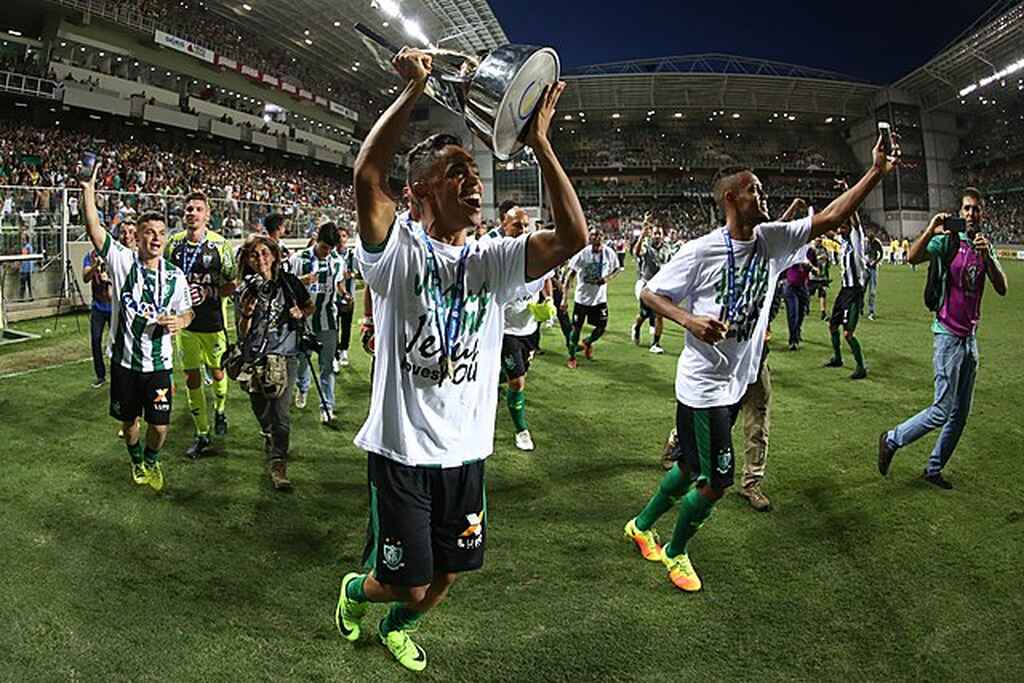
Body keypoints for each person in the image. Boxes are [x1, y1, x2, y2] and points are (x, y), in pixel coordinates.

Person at [334, 47, 586, 673]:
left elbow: (572, 237)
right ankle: (356, 591)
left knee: (449, 576)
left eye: (475, 171)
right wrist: (414, 89)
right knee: (407, 582)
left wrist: (542, 146)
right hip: (402, 453)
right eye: (457, 173)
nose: (474, 182)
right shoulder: (393, 253)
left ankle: (394, 626)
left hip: (466, 452)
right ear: (419, 192)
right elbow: (367, 177)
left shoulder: (494, 260)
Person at [623, 137, 899, 593]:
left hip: (738, 379)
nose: (763, 196)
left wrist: (874, 173)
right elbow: (648, 292)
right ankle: (676, 551)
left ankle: (640, 525)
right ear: (731, 198)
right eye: (754, 189)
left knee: (692, 468)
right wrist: (688, 320)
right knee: (718, 481)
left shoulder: (772, 240)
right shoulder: (699, 251)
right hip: (703, 385)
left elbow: (830, 217)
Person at [878, 189, 1007, 489]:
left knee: (960, 414)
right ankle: (892, 439)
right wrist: (930, 228)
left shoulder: (984, 247)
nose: (971, 214)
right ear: (960, 212)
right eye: (966, 209)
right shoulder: (948, 241)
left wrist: (989, 257)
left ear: (982, 214)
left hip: (969, 340)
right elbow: (912, 256)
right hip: (948, 335)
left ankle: (933, 469)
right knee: (941, 410)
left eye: (976, 209)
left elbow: (1002, 288)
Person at [80, 164, 193, 492]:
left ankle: (152, 459)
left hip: (159, 364)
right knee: (130, 423)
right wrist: (88, 190)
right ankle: (135, 460)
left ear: (166, 237)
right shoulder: (122, 261)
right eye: (149, 232)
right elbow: (94, 228)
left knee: (159, 428)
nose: (156, 238)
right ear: (138, 235)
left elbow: (187, 312)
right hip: (125, 364)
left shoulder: (175, 276)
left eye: (161, 232)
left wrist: (180, 322)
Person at [234, 234, 314, 491]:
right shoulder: (244, 288)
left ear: (275, 255)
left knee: (281, 412)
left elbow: (308, 305)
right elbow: (241, 330)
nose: (261, 259)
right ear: (248, 259)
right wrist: (246, 313)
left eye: (265, 253)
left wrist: (300, 313)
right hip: (254, 356)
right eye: (255, 255)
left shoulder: (289, 283)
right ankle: (269, 434)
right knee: (260, 408)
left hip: (284, 354)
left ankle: (279, 464)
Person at [165, 191, 237, 458]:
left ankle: (220, 409)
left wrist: (210, 293)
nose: (192, 213)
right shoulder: (173, 244)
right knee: (191, 376)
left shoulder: (220, 246)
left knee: (218, 372)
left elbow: (233, 282)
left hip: (213, 322)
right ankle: (202, 434)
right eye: (188, 209)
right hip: (185, 324)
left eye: (197, 209)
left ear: (207, 215)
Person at [499, 205, 547, 451]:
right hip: (506, 330)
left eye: (526, 225)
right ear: (503, 225)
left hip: (530, 328)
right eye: (517, 225)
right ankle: (521, 430)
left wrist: (546, 301)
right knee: (517, 382)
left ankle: (493, 378)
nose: (523, 230)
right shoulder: (496, 253)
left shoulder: (537, 252)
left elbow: (545, 278)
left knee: (517, 374)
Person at [291, 221, 344, 424]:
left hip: (327, 321)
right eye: (324, 247)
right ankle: (302, 387)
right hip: (303, 322)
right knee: (302, 361)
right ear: (316, 240)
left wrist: (345, 295)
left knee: (326, 366)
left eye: (330, 249)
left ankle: (327, 407)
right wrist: (301, 281)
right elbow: (287, 284)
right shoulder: (299, 258)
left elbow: (338, 284)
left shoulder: (337, 261)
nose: (327, 252)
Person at [824, 186, 868, 380]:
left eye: (844, 227)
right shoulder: (842, 244)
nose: (840, 229)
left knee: (848, 334)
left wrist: (848, 192)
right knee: (833, 326)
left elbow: (855, 220)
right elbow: (828, 231)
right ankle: (838, 358)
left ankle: (861, 367)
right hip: (844, 291)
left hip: (854, 292)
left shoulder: (857, 242)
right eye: (840, 227)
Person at [563, 228, 622, 369]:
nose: (597, 237)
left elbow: (617, 269)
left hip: (599, 299)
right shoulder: (582, 254)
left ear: (603, 236)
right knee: (576, 329)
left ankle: (588, 342)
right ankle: (571, 357)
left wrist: (607, 278)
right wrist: (564, 299)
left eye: (600, 234)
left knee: (601, 328)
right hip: (582, 299)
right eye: (594, 234)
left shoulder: (609, 253)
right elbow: (570, 276)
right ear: (590, 237)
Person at [632, 220, 673, 354]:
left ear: (662, 235)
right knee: (644, 315)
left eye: (659, 233)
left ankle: (656, 343)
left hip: (661, 287)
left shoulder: (667, 248)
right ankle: (637, 327)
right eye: (655, 233)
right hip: (647, 286)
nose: (657, 236)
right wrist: (642, 236)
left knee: (659, 316)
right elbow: (637, 252)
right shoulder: (647, 246)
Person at [83, 243, 113, 388]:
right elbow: (85, 277)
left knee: (118, 341)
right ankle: (100, 376)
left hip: (114, 306)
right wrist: (95, 266)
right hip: (98, 306)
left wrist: (109, 280)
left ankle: (120, 373)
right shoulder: (89, 257)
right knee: (96, 340)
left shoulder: (113, 255)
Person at [333, 225, 357, 372]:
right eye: (338, 236)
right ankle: (334, 356)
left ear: (347, 238)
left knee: (346, 326)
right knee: (334, 327)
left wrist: (352, 275)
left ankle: (344, 351)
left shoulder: (352, 255)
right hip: (334, 298)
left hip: (349, 297)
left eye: (343, 236)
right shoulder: (332, 256)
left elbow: (359, 273)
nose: (341, 239)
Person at [865, 230, 884, 320]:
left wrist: (875, 262)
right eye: (870, 240)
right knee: (862, 289)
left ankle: (871, 311)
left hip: (873, 269)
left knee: (872, 291)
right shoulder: (864, 243)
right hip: (865, 268)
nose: (870, 241)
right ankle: (860, 307)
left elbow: (881, 254)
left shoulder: (877, 243)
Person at [19, 229, 34, 301]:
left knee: (26, 283)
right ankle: (24, 297)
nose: (22, 240)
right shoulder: (25, 247)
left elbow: (24, 256)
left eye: (23, 239)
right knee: (25, 284)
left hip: (27, 268)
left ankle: (27, 297)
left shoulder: (27, 247)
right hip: (24, 268)